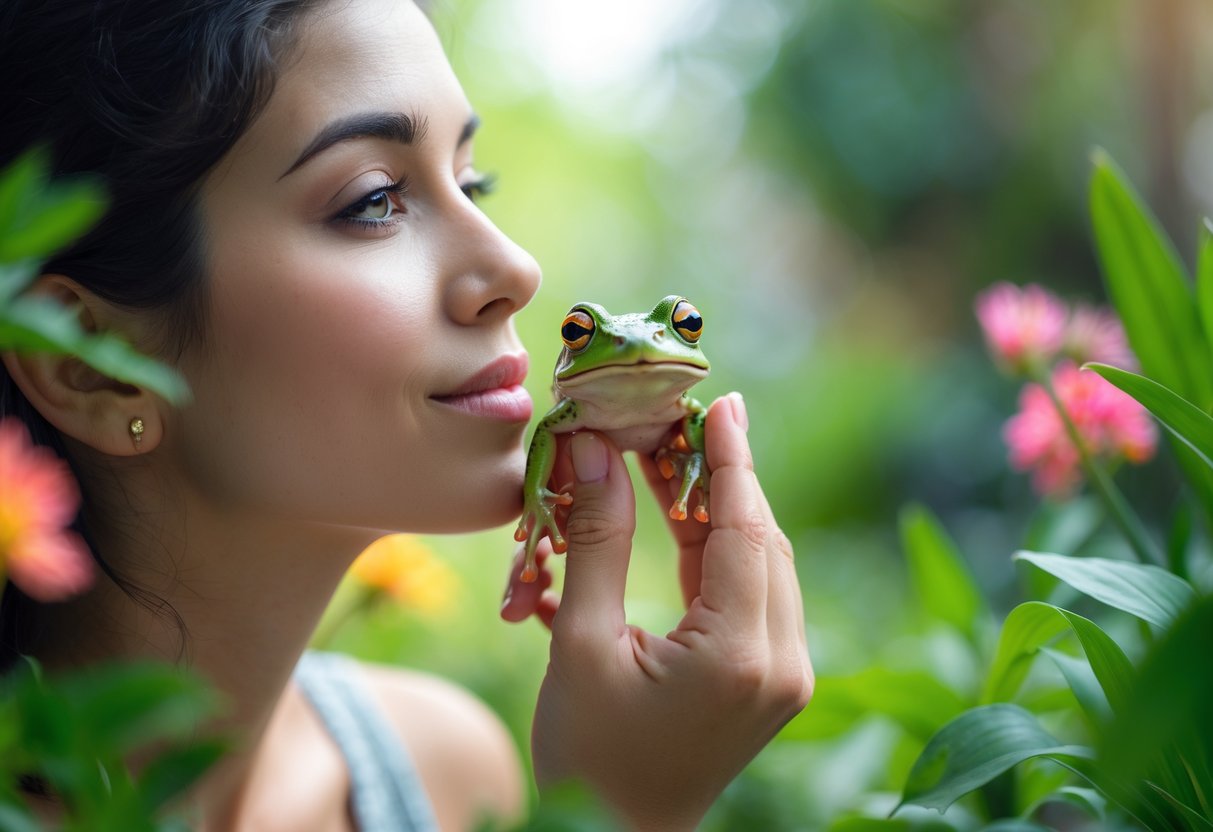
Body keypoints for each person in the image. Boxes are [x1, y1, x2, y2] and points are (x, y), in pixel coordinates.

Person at [0, 0, 813, 829]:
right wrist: (627, 814)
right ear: (86, 362)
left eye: (471, 182)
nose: (516, 267)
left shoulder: (449, 768)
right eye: (374, 199)